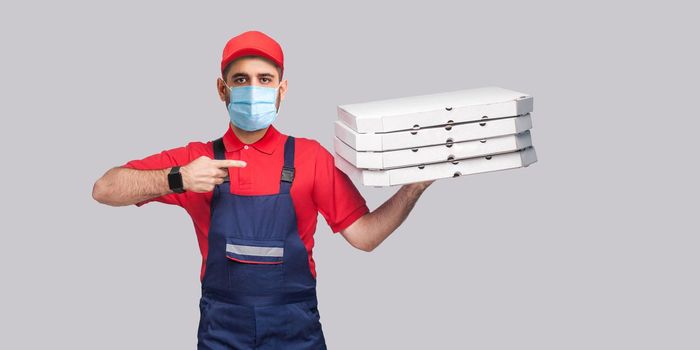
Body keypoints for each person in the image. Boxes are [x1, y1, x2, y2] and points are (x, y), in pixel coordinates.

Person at [92, 30, 434, 350]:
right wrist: (179, 177)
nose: (252, 89)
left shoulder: (310, 157)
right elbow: (105, 188)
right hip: (222, 329)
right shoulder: (198, 159)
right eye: (241, 79)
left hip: (295, 329)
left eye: (264, 79)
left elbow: (365, 237)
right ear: (222, 89)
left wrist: (414, 187)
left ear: (281, 90)